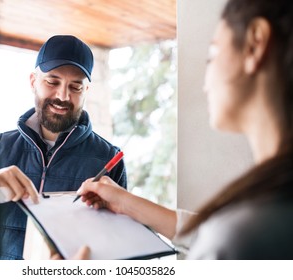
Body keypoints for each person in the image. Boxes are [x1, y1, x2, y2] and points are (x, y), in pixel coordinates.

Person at [77, 0, 293, 259]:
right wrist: (126, 203)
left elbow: (223, 239)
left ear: (255, 43)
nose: (205, 84)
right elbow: (207, 231)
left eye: (211, 56)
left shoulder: (240, 237)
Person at [0, 35, 127, 260]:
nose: (63, 96)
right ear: (33, 80)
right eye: (52, 82)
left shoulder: (109, 158)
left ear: (86, 91)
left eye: (75, 86)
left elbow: (118, 251)